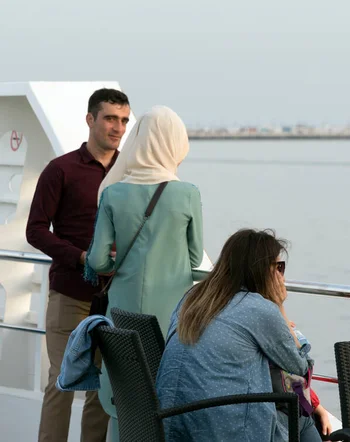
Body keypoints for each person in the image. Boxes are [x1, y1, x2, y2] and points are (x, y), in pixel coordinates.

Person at [84, 105, 203, 440]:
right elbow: (196, 257)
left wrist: (117, 264)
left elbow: (97, 261)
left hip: (121, 309)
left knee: (123, 399)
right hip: (171, 316)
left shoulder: (113, 193)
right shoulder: (187, 194)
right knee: (167, 399)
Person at [26, 88, 130, 442]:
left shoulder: (131, 172)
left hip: (116, 298)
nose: (118, 128)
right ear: (90, 119)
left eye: (124, 121)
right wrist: (81, 257)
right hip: (70, 294)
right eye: (110, 119)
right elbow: (35, 230)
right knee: (62, 381)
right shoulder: (61, 170)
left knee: (101, 391)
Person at [155, 229, 320, 441]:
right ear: (260, 270)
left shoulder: (191, 298)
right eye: (278, 267)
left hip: (172, 424)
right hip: (225, 429)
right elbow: (300, 369)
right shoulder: (259, 309)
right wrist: (279, 306)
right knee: (303, 417)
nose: (281, 276)